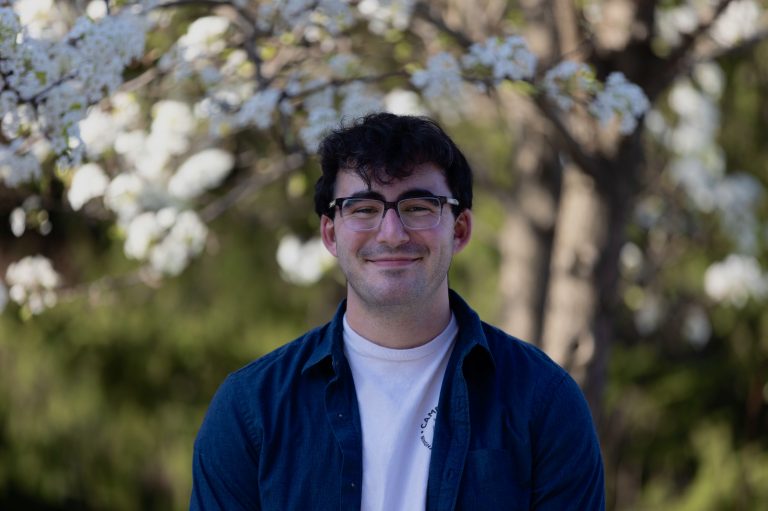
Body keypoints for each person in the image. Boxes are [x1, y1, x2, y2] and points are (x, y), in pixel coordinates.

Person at [190, 113, 605, 510]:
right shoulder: (252, 408)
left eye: (418, 207)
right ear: (331, 234)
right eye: (363, 209)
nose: (391, 234)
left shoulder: (543, 401)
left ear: (459, 229)